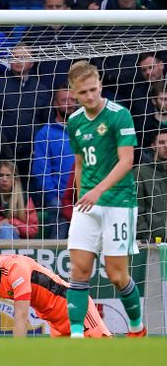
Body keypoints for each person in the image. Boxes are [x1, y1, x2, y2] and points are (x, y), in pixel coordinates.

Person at [64, 60, 145, 338]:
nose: (90, 96)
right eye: (83, 92)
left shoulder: (119, 115)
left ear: (100, 85)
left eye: (94, 89)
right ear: (73, 93)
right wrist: (79, 197)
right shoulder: (73, 122)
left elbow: (127, 161)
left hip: (118, 203)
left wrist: (97, 190)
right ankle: (76, 336)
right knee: (79, 270)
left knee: (116, 274)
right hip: (87, 205)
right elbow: (78, 164)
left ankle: (137, 329)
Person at [0, 253, 111, 338]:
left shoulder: (15, 269)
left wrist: (18, 355)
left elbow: (21, 316)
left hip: (75, 309)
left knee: (105, 357)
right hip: (55, 322)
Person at [0, 43, 52, 161]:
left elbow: (45, 122)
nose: (18, 60)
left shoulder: (41, 89)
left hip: (31, 153)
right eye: (14, 57)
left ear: (32, 63)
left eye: (23, 57)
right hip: (0, 151)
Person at [31, 87, 78, 239]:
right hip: (58, 198)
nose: (69, 104)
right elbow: (42, 170)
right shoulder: (45, 133)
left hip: (85, 196)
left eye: (72, 100)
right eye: (64, 100)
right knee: (58, 238)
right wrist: (54, 195)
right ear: (55, 104)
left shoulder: (85, 130)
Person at [136, 130, 167, 243]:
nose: (166, 146)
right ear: (153, 146)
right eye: (162, 142)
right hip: (153, 242)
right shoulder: (141, 172)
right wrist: (145, 236)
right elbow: (137, 208)